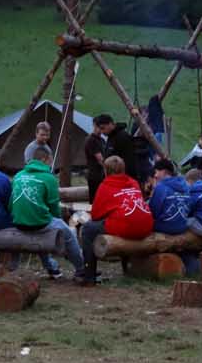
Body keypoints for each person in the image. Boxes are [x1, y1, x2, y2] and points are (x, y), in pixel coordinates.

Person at [9, 147, 84, 278]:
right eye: (50, 160)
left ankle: (51, 268)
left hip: (18, 222)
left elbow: (11, 203)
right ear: (44, 159)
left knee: (41, 225)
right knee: (69, 233)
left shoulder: (18, 175)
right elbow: (54, 206)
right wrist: (58, 221)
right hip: (39, 223)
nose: (51, 164)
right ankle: (81, 269)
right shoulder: (49, 178)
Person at [80, 155, 153, 284]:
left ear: (106, 170)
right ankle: (127, 269)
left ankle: (89, 276)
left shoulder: (105, 185)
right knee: (121, 220)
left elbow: (96, 215)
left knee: (88, 229)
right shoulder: (133, 182)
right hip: (146, 225)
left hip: (127, 225)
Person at [148, 158, 191, 236]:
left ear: (164, 172)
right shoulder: (185, 185)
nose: (155, 175)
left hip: (165, 227)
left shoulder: (161, 187)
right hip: (182, 226)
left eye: (157, 172)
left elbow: (152, 212)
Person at [84, 114, 115, 204]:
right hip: (95, 176)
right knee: (95, 201)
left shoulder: (102, 140)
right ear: (94, 125)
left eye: (102, 127)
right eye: (98, 126)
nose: (100, 129)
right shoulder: (91, 140)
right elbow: (101, 160)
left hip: (101, 175)